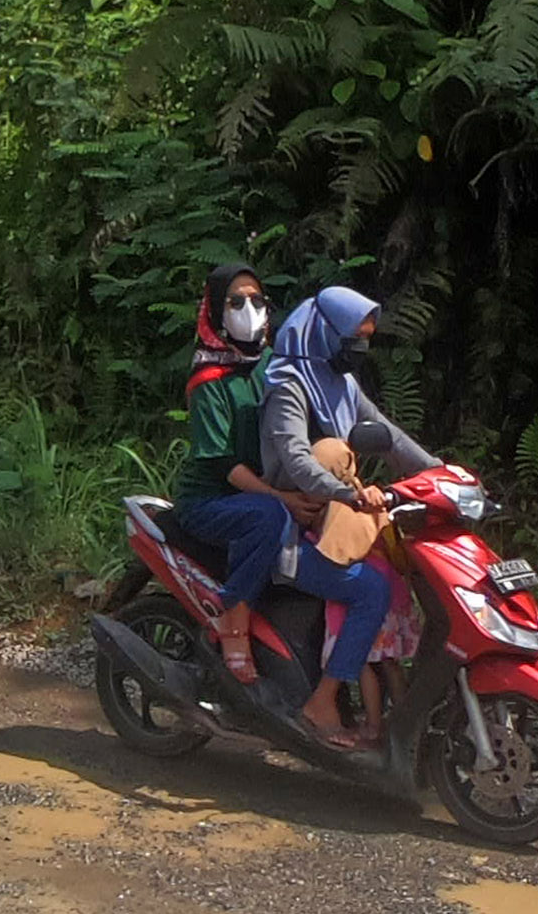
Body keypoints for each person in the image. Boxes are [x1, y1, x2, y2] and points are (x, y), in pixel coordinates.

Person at [257, 286, 438, 749]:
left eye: (365, 339)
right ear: (325, 332)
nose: (359, 349)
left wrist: (442, 474)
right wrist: (345, 493)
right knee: (370, 589)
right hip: (288, 523)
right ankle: (322, 700)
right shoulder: (288, 386)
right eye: (352, 338)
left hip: (333, 517)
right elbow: (297, 459)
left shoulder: (340, 384)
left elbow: (389, 436)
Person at [167, 265, 288, 681]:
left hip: (262, 488)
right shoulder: (209, 380)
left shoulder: (273, 364)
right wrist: (281, 497)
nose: (249, 310)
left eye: (258, 301)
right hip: (211, 499)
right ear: (217, 311)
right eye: (236, 302)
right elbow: (223, 464)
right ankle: (233, 622)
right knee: (271, 517)